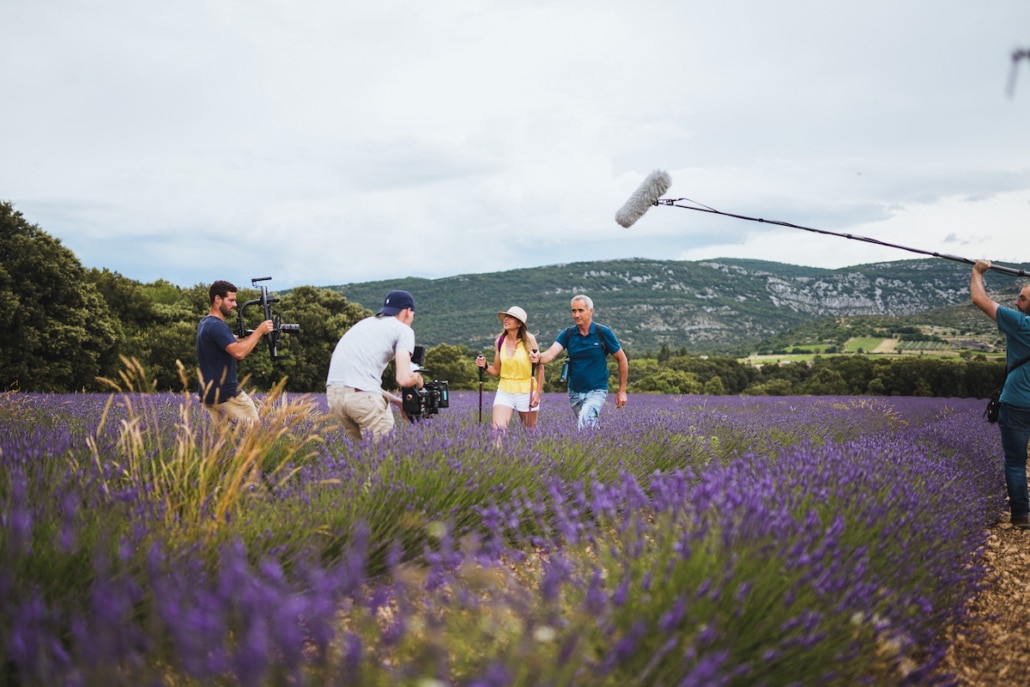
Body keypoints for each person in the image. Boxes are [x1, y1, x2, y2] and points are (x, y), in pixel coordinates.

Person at [971, 260, 1030, 529]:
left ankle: (1021, 516)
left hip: (1017, 403)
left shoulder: (1020, 325)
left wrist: (978, 271)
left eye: (1022, 298)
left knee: (1016, 462)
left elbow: (979, 299)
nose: (1016, 302)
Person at [326, 289, 423, 442]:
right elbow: (404, 379)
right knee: (385, 458)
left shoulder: (364, 324)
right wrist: (416, 376)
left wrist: (398, 402)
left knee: (366, 459)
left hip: (334, 398)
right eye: (412, 315)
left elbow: (359, 384)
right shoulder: (404, 330)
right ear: (407, 312)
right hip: (362, 401)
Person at [532, 294, 628, 429]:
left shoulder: (603, 332)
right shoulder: (568, 334)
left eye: (580, 310)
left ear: (590, 311)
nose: (576, 315)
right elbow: (549, 354)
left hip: (597, 390)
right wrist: (537, 357)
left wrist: (622, 390)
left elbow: (622, 359)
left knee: (585, 421)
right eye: (573, 311)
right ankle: (602, 446)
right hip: (574, 392)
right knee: (588, 427)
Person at [195, 280, 275, 425]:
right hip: (227, 394)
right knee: (254, 435)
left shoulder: (205, 323)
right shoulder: (217, 325)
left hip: (208, 394)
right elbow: (239, 353)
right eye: (231, 300)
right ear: (217, 299)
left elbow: (230, 340)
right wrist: (259, 331)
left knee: (222, 443)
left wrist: (251, 335)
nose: (235, 305)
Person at [475, 306, 545, 434]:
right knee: (497, 431)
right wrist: (484, 366)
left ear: (519, 323)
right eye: (506, 317)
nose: (506, 319)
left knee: (530, 433)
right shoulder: (500, 341)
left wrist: (537, 394)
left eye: (511, 317)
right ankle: (497, 453)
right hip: (505, 390)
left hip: (527, 391)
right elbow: (496, 372)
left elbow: (540, 367)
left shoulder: (529, 340)